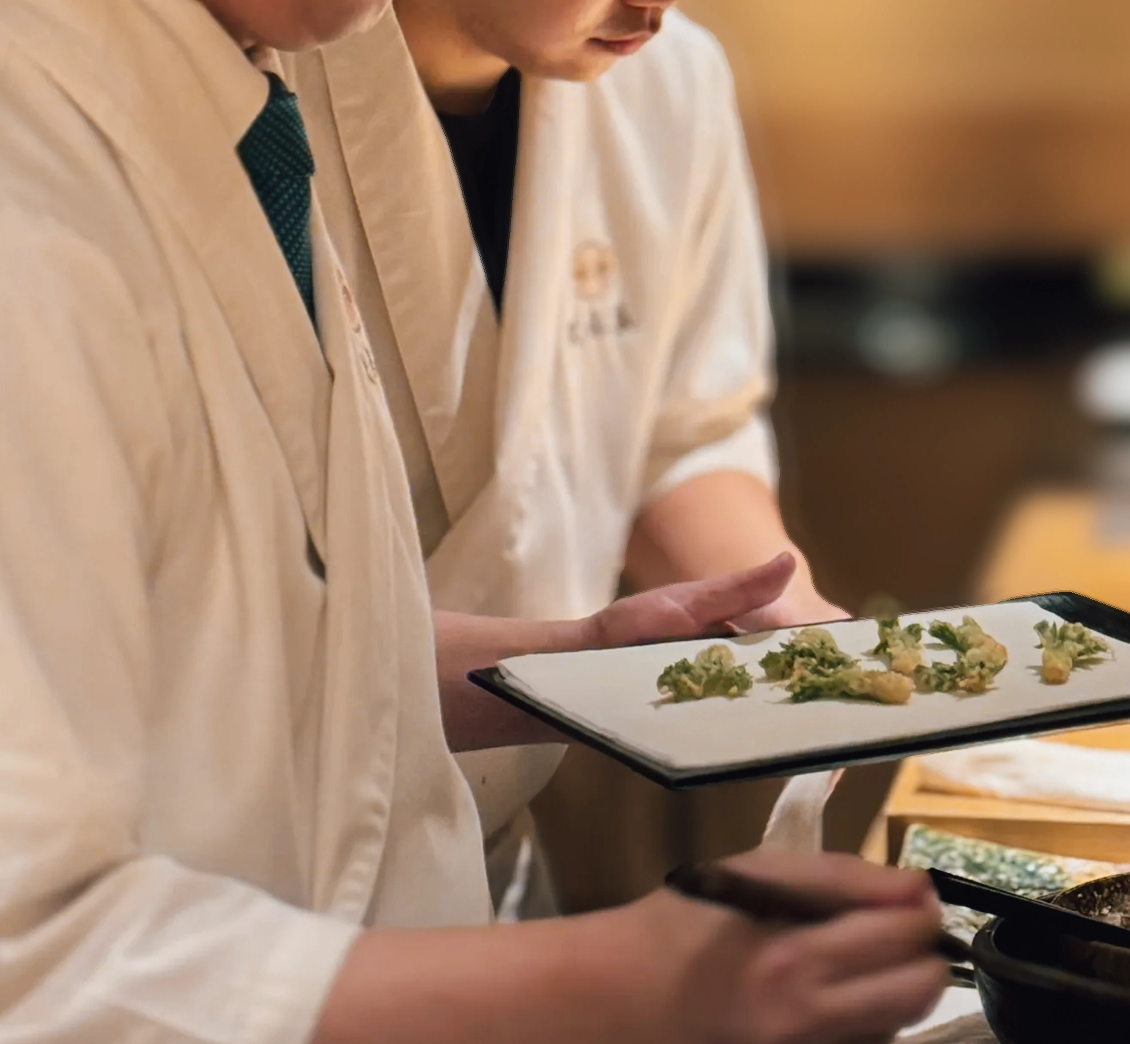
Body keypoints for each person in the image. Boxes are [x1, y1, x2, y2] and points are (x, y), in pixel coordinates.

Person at [0, 0, 944, 1044]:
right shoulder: (24, 169)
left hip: (406, 919)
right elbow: (12, 960)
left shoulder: (242, 80)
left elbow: (278, 635)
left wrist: (575, 663)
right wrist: (625, 983)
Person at [282, 0, 849, 912]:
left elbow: (679, 434)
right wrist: (570, 660)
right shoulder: (249, 87)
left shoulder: (670, 79)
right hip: (252, 859)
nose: (649, 10)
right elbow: (219, 619)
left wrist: (791, 622)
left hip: (485, 849)